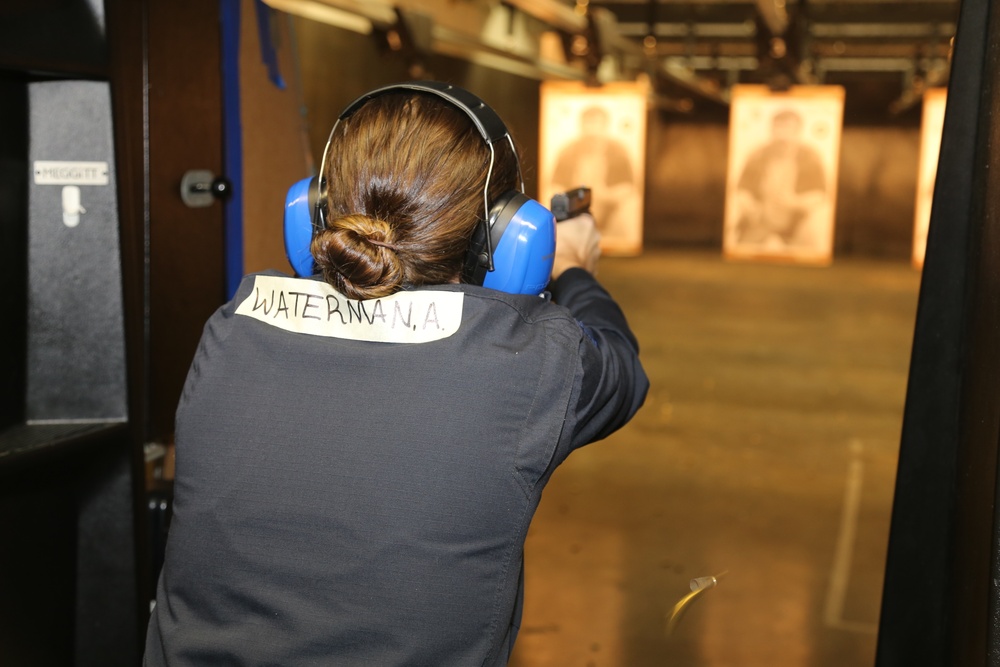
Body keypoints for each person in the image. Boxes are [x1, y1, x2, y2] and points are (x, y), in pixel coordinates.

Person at [143, 83, 648, 666]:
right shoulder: (526, 362)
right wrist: (575, 270)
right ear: (508, 241)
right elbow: (622, 368)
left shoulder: (230, 329)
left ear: (312, 213)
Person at [732, 108, 828, 249]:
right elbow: (742, 190)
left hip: (795, 222)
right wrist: (752, 209)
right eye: (779, 128)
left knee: (812, 242)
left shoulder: (810, 157)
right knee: (742, 249)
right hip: (759, 221)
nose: (783, 135)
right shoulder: (757, 155)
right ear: (772, 130)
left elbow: (819, 195)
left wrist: (794, 202)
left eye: (789, 129)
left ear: (798, 131)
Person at [550, 105, 638, 242]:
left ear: (605, 126)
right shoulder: (568, 151)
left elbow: (628, 187)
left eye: (597, 124)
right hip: (574, 209)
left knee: (629, 208)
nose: (592, 130)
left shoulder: (618, 151)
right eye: (589, 123)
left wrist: (604, 194)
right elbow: (555, 185)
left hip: (609, 207)